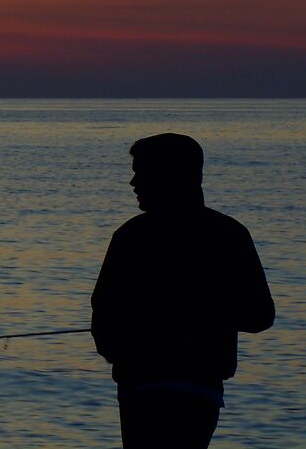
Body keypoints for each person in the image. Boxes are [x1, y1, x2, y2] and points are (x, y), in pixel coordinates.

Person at [91, 133, 275, 449]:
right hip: (199, 389)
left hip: (142, 388)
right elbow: (259, 316)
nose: (133, 183)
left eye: (142, 173)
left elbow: (103, 324)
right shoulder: (229, 234)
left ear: (169, 175)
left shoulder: (131, 237)